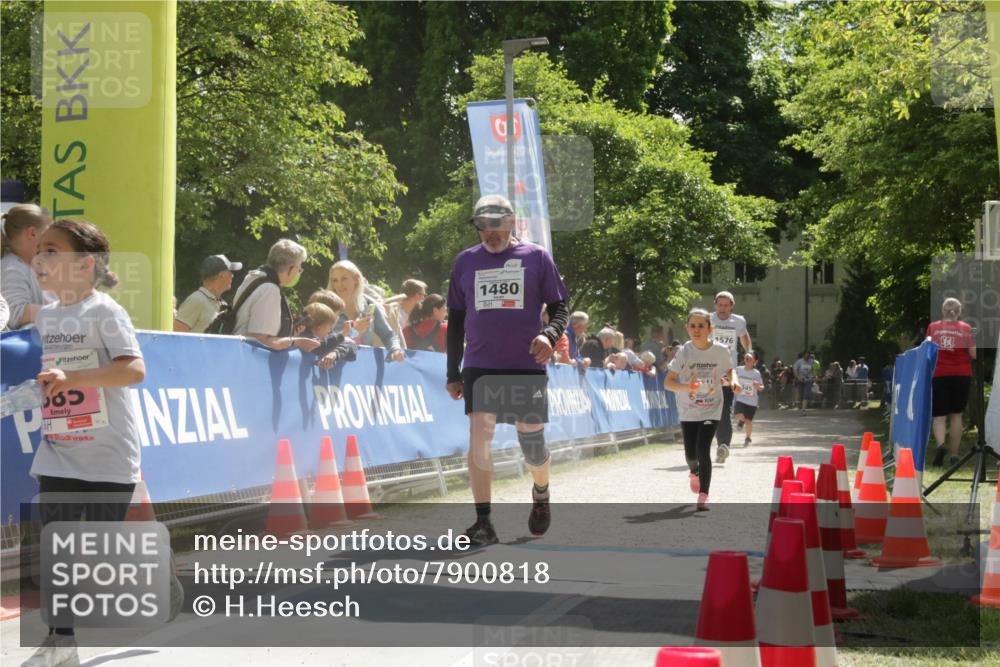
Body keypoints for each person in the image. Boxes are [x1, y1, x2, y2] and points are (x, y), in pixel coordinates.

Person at [24, 219, 147, 667]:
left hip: (108, 453)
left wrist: (72, 377)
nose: (40, 258)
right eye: (39, 249)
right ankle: (61, 641)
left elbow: (133, 371)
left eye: (52, 251)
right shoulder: (47, 316)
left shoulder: (105, 312)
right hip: (59, 449)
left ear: (85, 264)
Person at [445, 194, 569, 545]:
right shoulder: (465, 261)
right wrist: (453, 372)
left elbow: (560, 307)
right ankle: (483, 521)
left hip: (525, 362)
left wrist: (549, 334)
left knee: (532, 443)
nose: (490, 233)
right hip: (480, 364)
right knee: (480, 434)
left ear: (512, 221)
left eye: (496, 225)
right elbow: (456, 320)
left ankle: (541, 492)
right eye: (482, 226)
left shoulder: (536, 257)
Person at [664, 308, 741, 511]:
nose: (696, 330)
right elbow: (668, 383)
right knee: (691, 455)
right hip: (688, 409)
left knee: (702, 448)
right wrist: (687, 387)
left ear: (710, 329)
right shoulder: (684, 351)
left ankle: (704, 495)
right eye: (692, 326)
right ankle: (694, 471)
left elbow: (730, 370)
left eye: (701, 326)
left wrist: (734, 381)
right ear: (687, 328)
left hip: (711, 408)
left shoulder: (720, 350)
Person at [231, 239, 319, 353]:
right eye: (299, 269)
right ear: (292, 269)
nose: (299, 273)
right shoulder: (270, 290)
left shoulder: (254, 277)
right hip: (248, 357)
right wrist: (296, 341)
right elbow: (260, 341)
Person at [928, 298, 976, 467]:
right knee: (956, 415)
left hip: (939, 374)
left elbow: (928, 351)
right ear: (959, 311)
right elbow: (973, 354)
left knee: (939, 416)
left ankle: (941, 445)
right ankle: (954, 455)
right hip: (961, 375)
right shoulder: (967, 328)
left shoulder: (933, 327)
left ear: (943, 310)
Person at [327, 260, 405, 362]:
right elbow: (323, 342)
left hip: (364, 366)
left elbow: (388, 335)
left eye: (344, 279)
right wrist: (354, 332)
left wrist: (395, 350)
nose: (339, 284)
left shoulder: (369, 305)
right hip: (333, 365)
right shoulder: (327, 306)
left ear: (356, 279)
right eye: (335, 280)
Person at [710, 291, 752, 464]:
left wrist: (749, 352)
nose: (722, 308)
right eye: (720, 305)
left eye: (726, 305)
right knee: (706, 409)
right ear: (715, 305)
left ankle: (723, 445)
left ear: (731, 306)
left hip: (728, 372)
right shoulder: (707, 319)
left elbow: (744, 337)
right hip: (707, 370)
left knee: (724, 408)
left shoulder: (739, 321)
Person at [1, 204, 52, 329]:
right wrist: (62, 312)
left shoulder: (32, 266)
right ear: (32, 233)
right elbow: (15, 313)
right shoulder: (11, 268)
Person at [174, 254, 243, 333]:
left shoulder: (222, 304)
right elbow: (177, 335)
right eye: (230, 271)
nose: (232, 275)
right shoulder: (196, 300)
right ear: (221, 275)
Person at [303, 291, 358, 369]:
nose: (338, 318)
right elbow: (318, 347)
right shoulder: (303, 330)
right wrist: (343, 334)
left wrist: (335, 353)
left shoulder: (329, 334)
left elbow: (352, 349)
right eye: (337, 314)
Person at [383, 278, 428, 349]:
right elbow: (383, 303)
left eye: (424, 295)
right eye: (421, 294)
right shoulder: (395, 308)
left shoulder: (419, 312)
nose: (422, 297)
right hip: (388, 345)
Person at [733, 352, 764, 447]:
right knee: (738, 415)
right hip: (740, 398)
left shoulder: (756, 373)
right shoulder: (738, 369)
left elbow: (762, 387)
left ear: (755, 361)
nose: (747, 360)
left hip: (752, 401)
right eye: (746, 358)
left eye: (750, 359)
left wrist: (757, 386)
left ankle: (748, 438)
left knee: (748, 421)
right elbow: (732, 379)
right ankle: (741, 421)